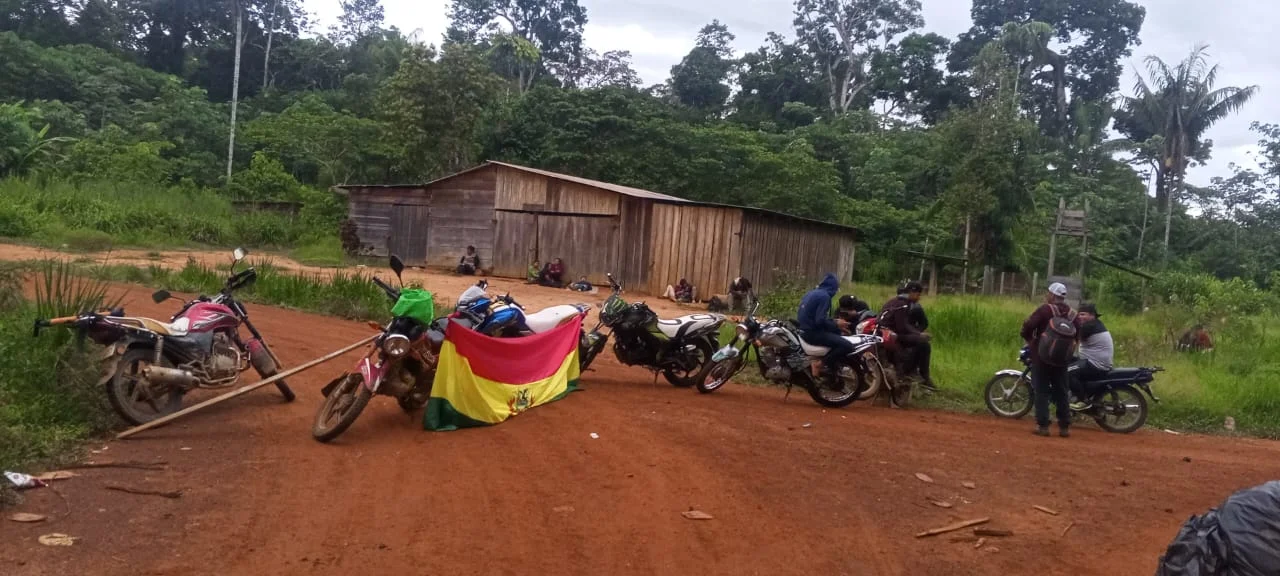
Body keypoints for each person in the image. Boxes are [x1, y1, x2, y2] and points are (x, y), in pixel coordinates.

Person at [1021, 282, 1076, 438]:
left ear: (1051, 295)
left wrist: (1030, 341)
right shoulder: (1072, 314)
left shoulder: (1045, 309)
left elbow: (1028, 326)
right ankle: (1064, 427)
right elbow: (1078, 333)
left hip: (1041, 357)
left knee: (1041, 391)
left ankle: (1043, 425)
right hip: (1062, 360)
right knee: (1062, 391)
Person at [796, 273, 853, 387]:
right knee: (847, 345)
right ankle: (820, 364)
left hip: (803, 330)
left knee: (836, 336)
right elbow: (820, 321)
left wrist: (835, 324)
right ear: (833, 288)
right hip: (812, 333)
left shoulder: (811, 293)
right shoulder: (825, 297)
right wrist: (836, 324)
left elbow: (817, 318)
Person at [880, 281, 935, 392]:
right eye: (918, 295)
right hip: (892, 335)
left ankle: (912, 372)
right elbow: (901, 327)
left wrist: (915, 333)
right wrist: (919, 334)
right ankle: (923, 377)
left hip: (886, 333)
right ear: (912, 292)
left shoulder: (893, 301)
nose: (919, 298)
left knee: (918, 341)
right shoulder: (903, 304)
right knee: (924, 344)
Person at [1068, 302, 1113, 408]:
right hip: (1092, 361)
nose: (1080, 317)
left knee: (1067, 372)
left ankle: (1083, 400)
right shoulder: (1094, 324)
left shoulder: (1089, 326)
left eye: (1083, 314)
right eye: (1079, 314)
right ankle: (1072, 395)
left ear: (1092, 315)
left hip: (1096, 364)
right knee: (1068, 363)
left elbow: (1073, 340)